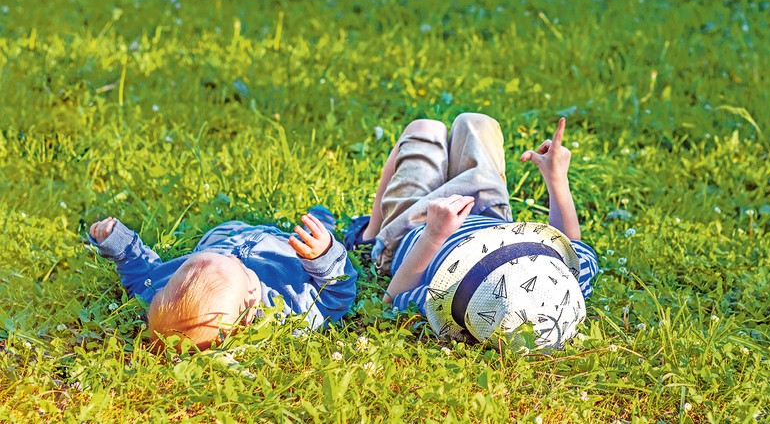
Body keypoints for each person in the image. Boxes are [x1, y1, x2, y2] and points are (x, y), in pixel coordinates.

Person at [347, 113, 598, 348]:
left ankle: (370, 234)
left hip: (413, 226)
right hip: (488, 214)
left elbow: (392, 300)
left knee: (424, 129)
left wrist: (434, 235)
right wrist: (557, 179)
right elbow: (571, 245)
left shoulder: (453, 296)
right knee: (477, 122)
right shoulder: (561, 296)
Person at [88, 206, 357, 351]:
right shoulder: (291, 309)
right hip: (285, 250)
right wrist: (322, 257)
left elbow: (140, 274)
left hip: (227, 237)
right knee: (311, 238)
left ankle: (220, 242)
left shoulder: (159, 292)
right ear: (249, 311)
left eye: (186, 267)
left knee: (220, 236)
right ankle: (321, 230)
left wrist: (118, 243)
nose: (234, 258)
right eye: (239, 267)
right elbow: (337, 295)